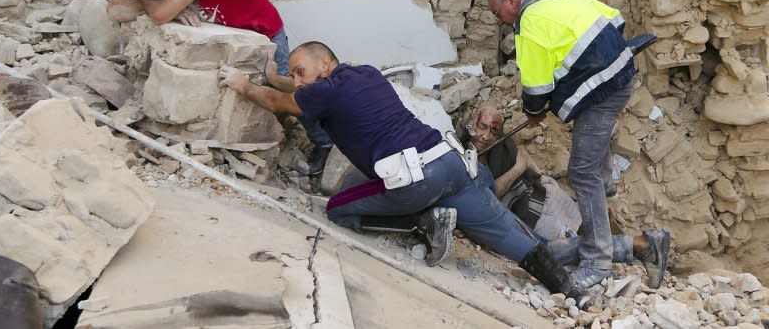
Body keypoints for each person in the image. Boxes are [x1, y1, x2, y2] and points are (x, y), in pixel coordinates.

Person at [218, 41, 590, 303]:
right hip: (452, 163)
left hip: (417, 179)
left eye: (301, 72)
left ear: (325, 65)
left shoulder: (322, 91)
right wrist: (277, 74)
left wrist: (243, 83)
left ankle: (424, 222)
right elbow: (299, 91)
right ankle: (571, 291)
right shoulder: (363, 73)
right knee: (510, 237)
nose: (297, 80)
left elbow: (278, 101)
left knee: (339, 207)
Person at [488, 0, 670, 288]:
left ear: (510, 1)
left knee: (582, 172)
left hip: (600, 92)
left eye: (498, 13)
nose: (500, 21)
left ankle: (597, 261)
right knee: (593, 164)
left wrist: (533, 112)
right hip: (620, 74)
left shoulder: (529, 21)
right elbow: (615, 19)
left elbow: (536, 87)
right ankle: (605, 190)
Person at [106, 0, 332, 172]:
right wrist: (163, 3)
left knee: (295, 92)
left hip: (263, 33)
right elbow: (115, 10)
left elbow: (159, 14)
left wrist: (158, 3)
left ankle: (325, 144)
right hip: (224, 37)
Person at [458, 105, 670, 288]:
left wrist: (523, 169)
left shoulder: (500, 149)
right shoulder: (466, 148)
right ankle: (638, 245)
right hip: (540, 201)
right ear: (471, 124)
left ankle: (641, 244)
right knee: (570, 246)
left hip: (540, 210)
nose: (485, 136)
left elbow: (490, 192)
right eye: (481, 127)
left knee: (551, 251)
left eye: (493, 132)